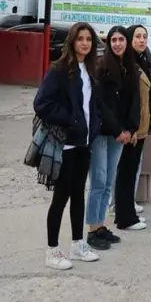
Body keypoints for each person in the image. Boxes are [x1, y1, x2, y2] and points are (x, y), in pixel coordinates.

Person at [32, 22, 102, 269]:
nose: (85, 43)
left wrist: (93, 129)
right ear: (72, 41)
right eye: (80, 39)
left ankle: (77, 244)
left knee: (78, 197)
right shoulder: (59, 69)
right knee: (60, 198)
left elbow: (91, 106)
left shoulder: (90, 69)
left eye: (88, 39)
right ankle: (52, 250)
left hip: (84, 144)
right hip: (66, 146)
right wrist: (70, 120)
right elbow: (41, 103)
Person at [86, 26, 140, 247]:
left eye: (121, 40)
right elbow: (100, 104)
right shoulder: (101, 67)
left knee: (109, 181)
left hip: (122, 134)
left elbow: (134, 101)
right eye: (113, 40)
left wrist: (131, 129)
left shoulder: (130, 67)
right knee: (98, 181)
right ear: (108, 43)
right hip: (103, 133)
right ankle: (92, 229)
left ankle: (101, 225)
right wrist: (118, 130)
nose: (117, 44)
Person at [127, 25, 151, 209]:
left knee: (135, 165)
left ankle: (129, 200)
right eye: (137, 36)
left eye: (144, 36)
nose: (142, 40)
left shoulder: (143, 60)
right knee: (125, 167)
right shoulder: (128, 63)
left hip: (143, 125)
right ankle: (119, 203)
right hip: (131, 126)